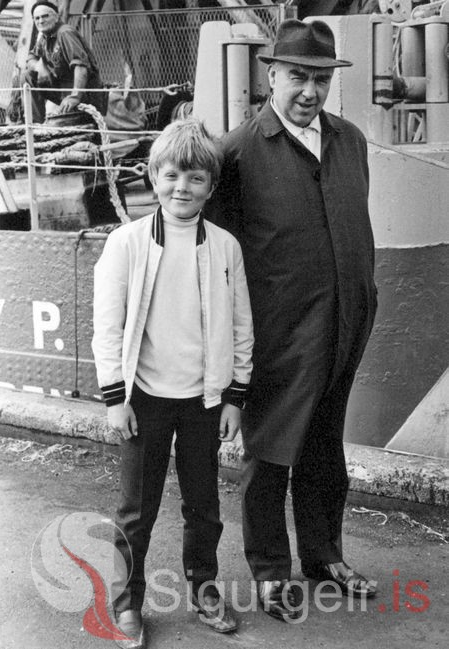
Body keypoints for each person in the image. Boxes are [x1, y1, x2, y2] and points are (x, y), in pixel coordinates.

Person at [206, 19, 378, 621]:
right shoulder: (236, 153)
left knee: (326, 447)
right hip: (275, 332)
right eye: (298, 76)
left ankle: (324, 556)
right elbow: (220, 258)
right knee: (270, 451)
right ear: (272, 75)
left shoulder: (350, 140)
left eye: (321, 79)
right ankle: (271, 573)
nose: (310, 91)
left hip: (344, 323)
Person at [92, 118, 253, 647]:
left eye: (196, 178)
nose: (182, 187)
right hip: (144, 400)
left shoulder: (225, 247)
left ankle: (204, 588)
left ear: (211, 186)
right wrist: (114, 397)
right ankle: (127, 602)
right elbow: (107, 327)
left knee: (204, 507)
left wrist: (234, 396)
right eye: (171, 175)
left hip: (204, 401)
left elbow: (241, 325)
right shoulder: (126, 243)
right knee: (136, 511)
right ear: (152, 176)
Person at [24, 1, 106, 123]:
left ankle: (41, 124)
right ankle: (36, 124)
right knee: (28, 75)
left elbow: (81, 67)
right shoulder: (45, 37)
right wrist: (39, 67)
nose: (41, 21)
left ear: (57, 17)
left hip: (85, 94)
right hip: (63, 90)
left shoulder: (65, 33)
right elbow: (31, 57)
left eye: (45, 16)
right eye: (37, 18)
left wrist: (75, 96)